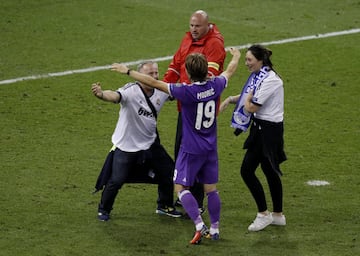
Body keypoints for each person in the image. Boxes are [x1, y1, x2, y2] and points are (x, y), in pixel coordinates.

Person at [110, 47, 241, 244]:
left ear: (187, 72)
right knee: (211, 190)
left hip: (190, 149)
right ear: (206, 69)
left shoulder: (185, 91)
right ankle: (215, 228)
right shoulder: (217, 85)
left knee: (180, 188)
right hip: (211, 147)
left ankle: (199, 224)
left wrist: (128, 71)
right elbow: (229, 70)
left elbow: (153, 82)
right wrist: (236, 55)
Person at [91, 61, 182, 221]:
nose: (154, 76)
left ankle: (165, 205)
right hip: (127, 145)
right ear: (140, 77)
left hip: (150, 143)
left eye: (156, 73)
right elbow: (115, 96)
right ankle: (104, 209)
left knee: (169, 172)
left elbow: (181, 91)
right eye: (150, 74)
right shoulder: (131, 91)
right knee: (117, 180)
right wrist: (101, 94)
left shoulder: (161, 89)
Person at [163, 10, 226, 213]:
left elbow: (209, 76)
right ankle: (187, 196)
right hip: (186, 107)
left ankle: (196, 203)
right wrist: (167, 86)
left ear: (207, 25)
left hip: (198, 109)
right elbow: (176, 64)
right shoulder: (188, 39)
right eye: (191, 25)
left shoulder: (214, 44)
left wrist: (181, 90)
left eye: (197, 26)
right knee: (181, 153)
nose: (193, 29)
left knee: (197, 155)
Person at [220, 44, 287, 232]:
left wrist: (246, 99)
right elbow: (247, 97)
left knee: (247, 170)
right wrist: (229, 100)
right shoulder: (262, 76)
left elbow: (251, 106)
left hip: (267, 131)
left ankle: (263, 214)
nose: (247, 64)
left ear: (260, 60)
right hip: (264, 128)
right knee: (269, 170)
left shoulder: (270, 80)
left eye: (249, 60)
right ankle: (278, 215)